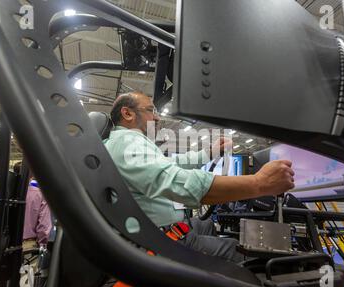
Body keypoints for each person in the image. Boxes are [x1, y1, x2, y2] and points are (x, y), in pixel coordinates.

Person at [104, 92, 295, 263]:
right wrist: (259, 183)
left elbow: (172, 163)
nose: (157, 117)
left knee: (206, 225)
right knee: (239, 250)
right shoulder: (129, 143)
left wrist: (209, 153)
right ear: (128, 113)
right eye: (150, 110)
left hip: (150, 231)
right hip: (160, 240)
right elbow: (177, 182)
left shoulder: (122, 143)